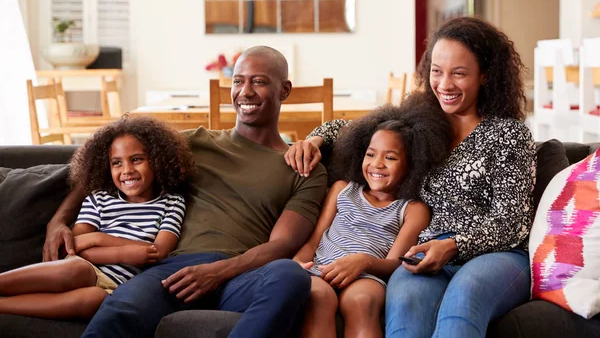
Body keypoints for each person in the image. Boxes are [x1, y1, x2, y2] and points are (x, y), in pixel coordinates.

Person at [42, 46, 328, 338]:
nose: (246, 91)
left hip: (242, 274)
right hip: (173, 272)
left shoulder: (304, 168)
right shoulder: (195, 143)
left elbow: (282, 246)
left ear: (285, 90)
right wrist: (58, 220)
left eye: (259, 81)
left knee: (290, 275)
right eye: (239, 81)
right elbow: (105, 163)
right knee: (118, 313)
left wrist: (218, 272)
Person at [284, 17, 537, 338]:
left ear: (485, 75)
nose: (444, 84)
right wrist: (315, 139)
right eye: (436, 71)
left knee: (462, 303)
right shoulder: (419, 121)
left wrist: (452, 245)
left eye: (459, 73)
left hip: (495, 256)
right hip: (422, 256)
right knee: (405, 312)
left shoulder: (507, 134)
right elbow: (348, 129)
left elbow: (512, 222)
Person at [0, 116, 193, 319]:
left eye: (136, 159)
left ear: (157, 160)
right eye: (116, 163)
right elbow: (75, 248)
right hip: (86, 267)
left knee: (94, 300)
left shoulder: (172, 202)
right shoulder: (99, 199)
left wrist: (97, 241)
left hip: (119, 285)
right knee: (75, 270)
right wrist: (119, 251)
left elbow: (157, 252)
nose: (127, 170)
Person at [294, 95, 452, 338]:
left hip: (368, 275)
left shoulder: (412, 209)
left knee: (363, 301)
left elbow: (396, 263)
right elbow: (314, 241)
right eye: (370, 154)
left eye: (390, 157)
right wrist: (295, 264)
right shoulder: (341, 189)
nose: (377, 164)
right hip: (320, 268)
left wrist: (363, 262)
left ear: (412, 165)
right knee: (317, 297)